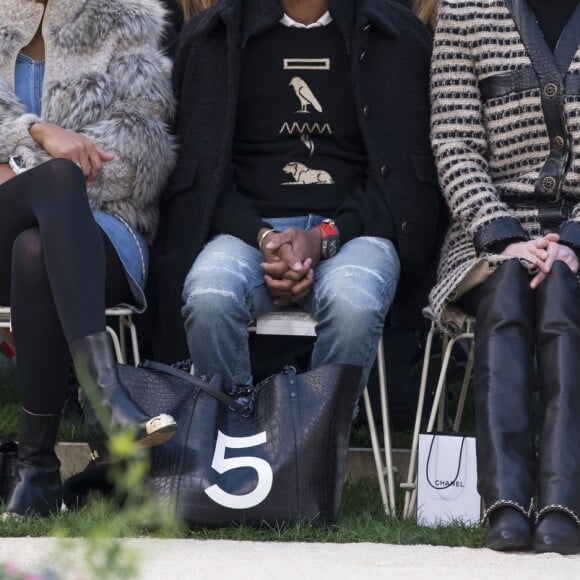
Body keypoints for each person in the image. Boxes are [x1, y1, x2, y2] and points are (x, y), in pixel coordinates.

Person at [152, 0, 442, 405]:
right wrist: (266, 237)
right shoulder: (213, 37)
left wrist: (322, 238)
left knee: (353, 307)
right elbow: (204, 182)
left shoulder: (395, 37)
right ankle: (239, 443)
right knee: (209, 298)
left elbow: (399, 184)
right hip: (248, 234)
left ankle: (314, 454)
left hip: (355, 233)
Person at [0, 0, 177, 517]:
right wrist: (38, 135)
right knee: (57, 178)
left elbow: (143, 150)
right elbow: (65, 167)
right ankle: (107, 400)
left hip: (103, 233)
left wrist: (20, 169)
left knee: (35, 248)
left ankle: (37, 474)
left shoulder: (124, 18)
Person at [427, 0, 580, 554]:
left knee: (562, 287)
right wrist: (503, 233)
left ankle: (565, 503)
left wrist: (573, 241)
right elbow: (454, 143)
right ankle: (507, 505)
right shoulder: (466, 11)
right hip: (486, 228)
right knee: (512, 282)